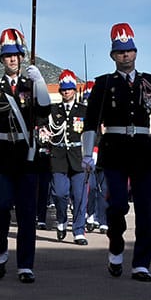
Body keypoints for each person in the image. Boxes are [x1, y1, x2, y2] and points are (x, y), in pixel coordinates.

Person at [81, 23, 151, 282]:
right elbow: (90, 122)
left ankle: (142, 263)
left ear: (136, 52)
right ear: (113, 55)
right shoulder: (103, 84)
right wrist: (88, 153)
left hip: (142, 149)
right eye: (120, 52)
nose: (126, 56)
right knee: (117, 204)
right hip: (114, 149)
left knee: (145, 208)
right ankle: (116, 245)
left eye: (129, 51)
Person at [0, 28, 50, 284]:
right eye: (8, 55)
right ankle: (1, 249)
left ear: (21, 57)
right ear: (1, 59)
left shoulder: (30, 85)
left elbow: (44, 113)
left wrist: (40, 83)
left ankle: (25, 264)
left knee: (26, 212)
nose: (12, 59)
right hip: (2, 155)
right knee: (1, 206)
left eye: (16, 55)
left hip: (26, 156)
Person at [48, 70, 89, 245]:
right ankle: (62, 219)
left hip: (78, 156)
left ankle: (79, 230)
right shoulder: (53, 110)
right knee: (59, 193)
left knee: (79, 196)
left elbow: (91, 133)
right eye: (63, 89)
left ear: (74, 90)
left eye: (69, 89)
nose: (66, 92)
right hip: (59, 156)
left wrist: (91, 154)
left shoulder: (84, 110)